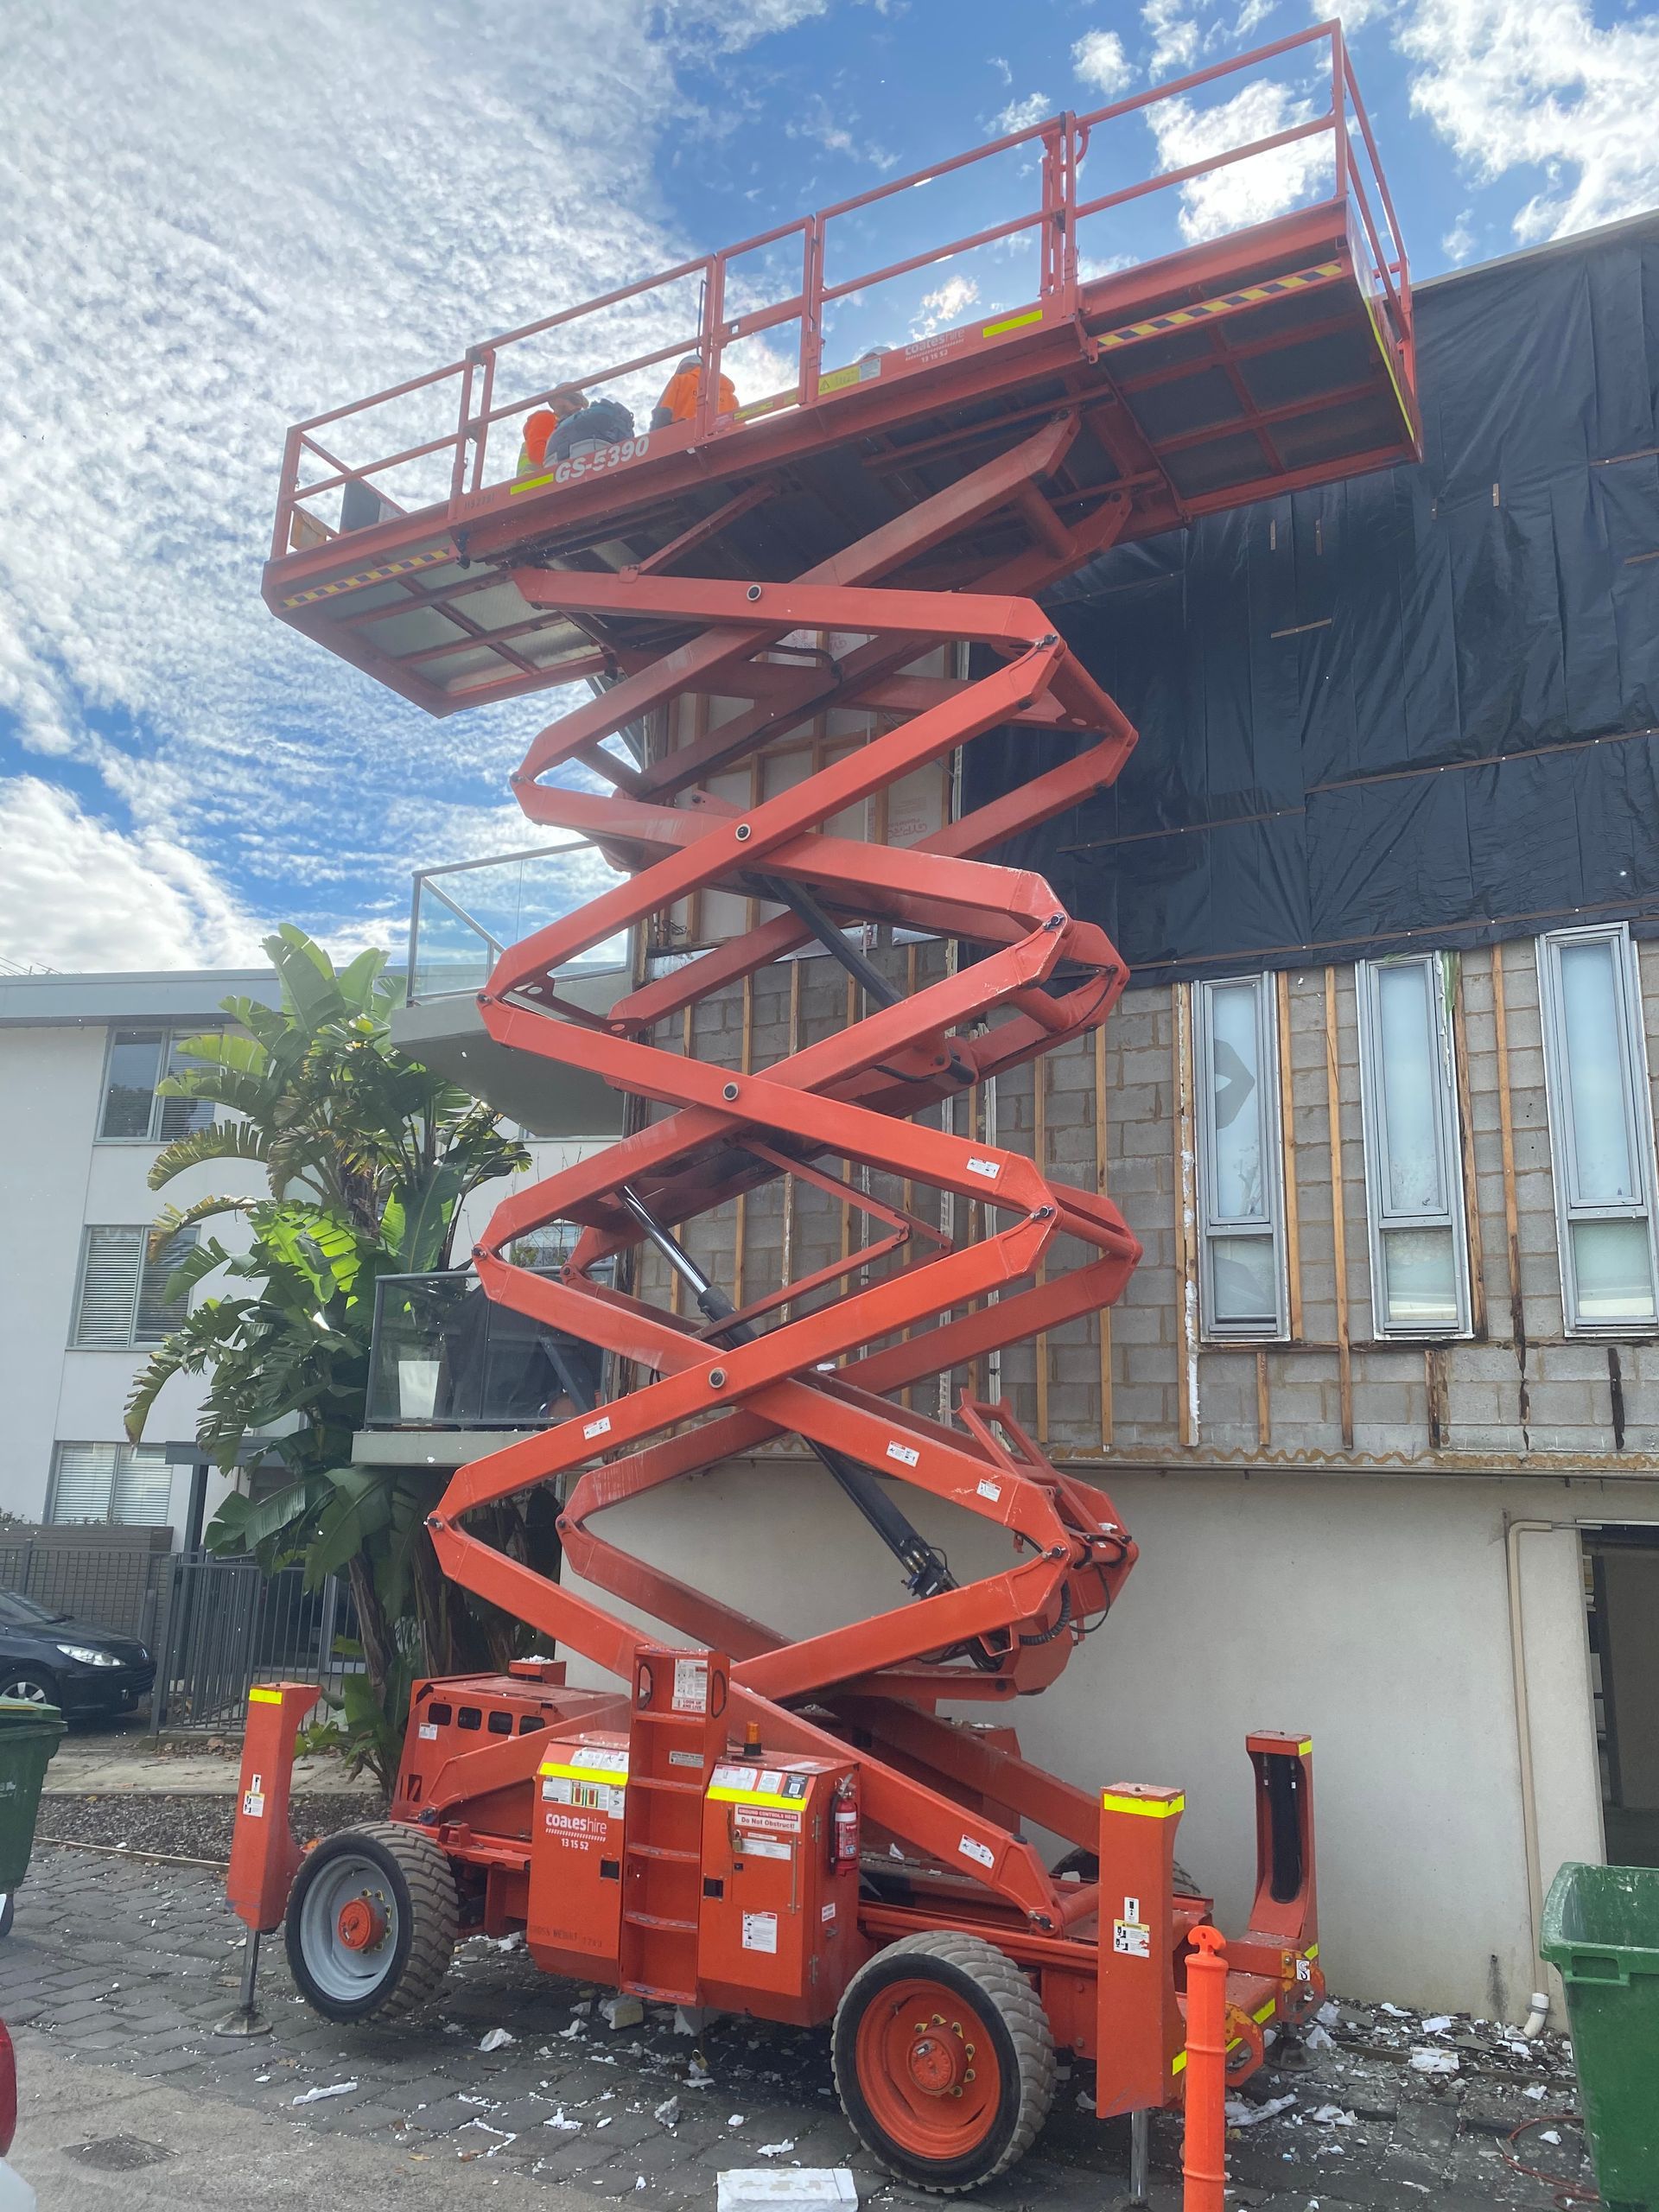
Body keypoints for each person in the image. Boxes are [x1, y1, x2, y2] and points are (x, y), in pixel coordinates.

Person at [651, 353, 738, 430]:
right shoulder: (730, 397)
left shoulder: (680, 380)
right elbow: (739, 424)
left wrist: (655, 436)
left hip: (683, 435)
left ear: (686, 366)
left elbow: (663, 411)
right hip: (722, 439)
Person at [516, 384, 585, 478]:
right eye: (574, 400)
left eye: (580, 404)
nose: (579, 407)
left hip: (552, 481)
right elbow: (537, 454)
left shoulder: (568, 429)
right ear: (556, 400)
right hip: (537, 483)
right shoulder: (546, 418)